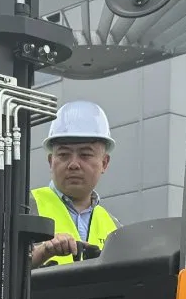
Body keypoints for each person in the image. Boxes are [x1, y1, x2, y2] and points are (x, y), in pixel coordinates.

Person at [29, 100, 120, 267]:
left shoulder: (115, 228)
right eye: (64, 155)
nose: (73, 164)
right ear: (51, 161)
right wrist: (43, 252)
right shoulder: (25, 208)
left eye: (85, 155)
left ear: (104, 163)